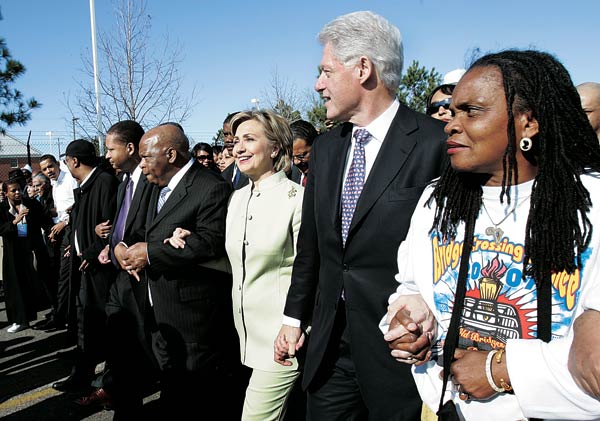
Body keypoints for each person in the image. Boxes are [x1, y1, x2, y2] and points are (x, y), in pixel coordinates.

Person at [382, 50, 600, 420]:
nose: (451, 124)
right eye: (452, 111)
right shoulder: (438, 199)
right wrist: (411, 324)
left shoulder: (590, 203)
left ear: (528, 123)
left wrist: (499, 370)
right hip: (447, 407)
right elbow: (412, 286)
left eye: (472, 111)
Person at [274, 11, 445, 420]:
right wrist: (293, 317)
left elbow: (449, 256)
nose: (318, 84)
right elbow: (312, 245)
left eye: (326, 71)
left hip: (400, 351)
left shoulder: (435, 144)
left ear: (363, 68)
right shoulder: (327, 148)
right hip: (330, 348)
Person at [120, 123, 243, 418]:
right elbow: (143, 230)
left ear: (171, 154)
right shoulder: (154, 185)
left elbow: (210, 242)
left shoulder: (211, 187)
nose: (141, 164)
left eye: (146, 157)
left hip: (192, 319)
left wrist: (150, 253)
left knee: (198, 398)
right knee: (173, 392)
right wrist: (123, 248)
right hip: (158, 312)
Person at [76, 120, 158, 414]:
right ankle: (120, 397)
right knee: (120, 348)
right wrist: (109, 245)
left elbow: (148, 227)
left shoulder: (150, 181)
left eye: (111, 149)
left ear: (130, 148)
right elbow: (120, 225)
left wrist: (123, 246)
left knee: (141, 351)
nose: (107, 155)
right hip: (118, 277)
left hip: (140, 277)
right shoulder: (124, 182)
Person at [52, 139, 119, 394]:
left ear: (74, 161)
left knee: (101, 324)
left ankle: (102, 380)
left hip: (99, 268)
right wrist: (76, 243)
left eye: (66, 161)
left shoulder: (103, 182)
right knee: (86, 323)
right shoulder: (85, 186)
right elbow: (84, 222)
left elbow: (110, 226)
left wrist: (90, 251)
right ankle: (82, 374)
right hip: (85, 264)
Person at [0, 176, 52, 332]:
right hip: (12, 252)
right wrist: (15, 221)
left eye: (18, 189)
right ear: (6, 193)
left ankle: (41, 314)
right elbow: (1, 228)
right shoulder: (2, 208)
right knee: (15, 285)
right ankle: (19, 320)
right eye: (13, 191)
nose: (17, 193)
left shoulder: (30, 203)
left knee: (35, 282)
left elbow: (45, 219)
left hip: (32, 248)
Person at [38, 154, 78, 332]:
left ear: (57, 164)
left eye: (50, 167)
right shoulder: (54, 184)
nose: (48, 171)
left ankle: (62, 317)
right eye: (44, 169)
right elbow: (61, 209)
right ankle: (61, 315)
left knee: (65, 276)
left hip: (71, 228)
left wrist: (64, 222)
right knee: (60, 276)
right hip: (61, 230)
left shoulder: (69, 179)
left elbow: (77, 204)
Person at [222, 111, 250, 189]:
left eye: (232, 133)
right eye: (225, 135)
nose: (228, 140)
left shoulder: (257, 170)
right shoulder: (224, 175)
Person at [290, 119, 318, 187]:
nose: (296, 162)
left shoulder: (329, 174)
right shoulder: (291, 175)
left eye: (301, 156)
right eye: (291, 157)